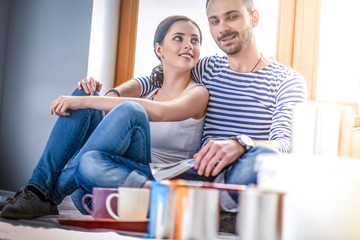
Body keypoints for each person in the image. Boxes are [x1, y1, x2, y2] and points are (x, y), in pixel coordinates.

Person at [108, 0, 307, 231]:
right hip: (193, 174)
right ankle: (209, 212)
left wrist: (241, 144)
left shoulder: (287, 80)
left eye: (232, 17)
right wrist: (115, 93)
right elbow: (158, 76)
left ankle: (183, 208)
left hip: (238, 175)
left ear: (254, 18)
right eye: (215, 21)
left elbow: (285, 144)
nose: (222, 28)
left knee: (263, 156)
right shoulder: (208, 68)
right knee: (91, 164)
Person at [1, 15, 209, 219]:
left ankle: (43, 195)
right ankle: (37, 188)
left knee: (121, 123)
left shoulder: (198, 93)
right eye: (178, 38)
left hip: (147, 179)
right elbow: (114, 107)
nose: (189, 45)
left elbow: (159, 111)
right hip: (102, 184)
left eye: (195, 40)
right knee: (87, 94)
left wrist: (85, 102)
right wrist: (88, 97)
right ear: (159, 49)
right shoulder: (148, 90)